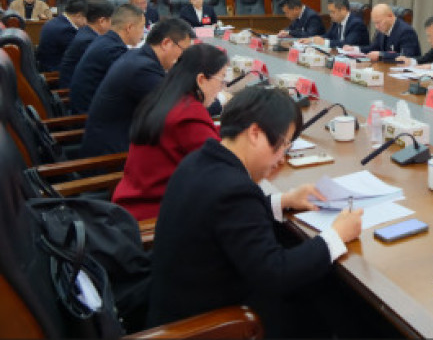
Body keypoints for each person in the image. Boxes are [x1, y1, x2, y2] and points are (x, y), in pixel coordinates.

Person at [146, 87, 364, 336]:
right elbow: (276, 273)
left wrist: (284, 200)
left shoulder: (199, 161)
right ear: (255, 133)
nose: (282, 158)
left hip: (179, 308)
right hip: (208, 326)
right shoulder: (234, 190)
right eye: (283, 145)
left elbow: (227, 221)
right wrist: (336, 236)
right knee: (331, 302)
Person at [112, 44, 228, 220]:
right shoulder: (189, 113)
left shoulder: (166, 97)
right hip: (152, 216)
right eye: (222, 80)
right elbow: (222, 170)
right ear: (201, 80)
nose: (221, 88)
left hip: (131, 202)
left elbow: (199, 137)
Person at [79, 18, 195, 159]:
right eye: (184, 51)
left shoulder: (139, 56)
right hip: (112, 157)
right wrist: (214, 99)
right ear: (166, 43)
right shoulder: (142, 69)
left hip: (121, 139)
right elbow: (177, 107)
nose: (183, 58)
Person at [69, 4, 145, 114]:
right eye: (142, 27)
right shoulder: (112, 50)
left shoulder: (106, 40)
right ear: (129, 28)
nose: (143, 33)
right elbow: (134, 83)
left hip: (92, 107)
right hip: (89, 115)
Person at [58, 0, 114, 88]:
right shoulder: (89, 40)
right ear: (102, 21)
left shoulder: (86, 31)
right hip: (73, 89)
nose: (113, 25)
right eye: (112, 21)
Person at [344, 2, 421, 61]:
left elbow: (406, 56)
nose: (376, 27)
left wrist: (381, 54)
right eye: (375, 23)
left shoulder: (406, 31)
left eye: (379, 22)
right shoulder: (382, 29)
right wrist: (355, 49)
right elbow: (374, 48)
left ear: (390, 16)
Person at [36, 0, 88, 72]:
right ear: (78, 16)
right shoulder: (65, 30)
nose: (87, 23)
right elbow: (79, 54)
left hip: (49, 65)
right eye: (87, 18)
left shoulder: (57, 21)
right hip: (55, 71)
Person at [305, 0, 369, 48]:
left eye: (333, 12)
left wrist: (324, 42)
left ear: (343, 9)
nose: (330, 15)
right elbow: (328, 36)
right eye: (330, 12)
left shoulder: (356, 24)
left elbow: (347, 44)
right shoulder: (337, 22)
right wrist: (312, 39)